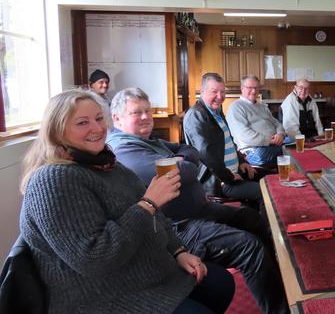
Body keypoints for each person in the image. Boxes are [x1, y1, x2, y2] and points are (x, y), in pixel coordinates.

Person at [19, 89, 234, 314]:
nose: (97, 128)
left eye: (99, 118)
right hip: (105, 296)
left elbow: (157, 217)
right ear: (57, 131)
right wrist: (149, 203)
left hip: (146, 271)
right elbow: (94, 258)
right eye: (82, 122)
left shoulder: (105, 164)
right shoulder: (54, 179)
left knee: (221, 283)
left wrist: (179, 251)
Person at [107, 87, 290, 314]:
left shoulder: (150, 141)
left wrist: (182, 160)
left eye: (147, 111)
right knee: (249, 246)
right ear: (117, 118)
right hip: (179, 227)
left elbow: (189, 150)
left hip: (201, 209)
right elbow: (187, 169)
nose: (145, 117)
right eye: (137, 113)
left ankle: (283, 284)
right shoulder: (125, 149)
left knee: (253, 219)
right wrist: (183, 162)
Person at [184, 73, 267, 207]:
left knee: (271, 178)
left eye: (222, 92)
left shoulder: (216, 111)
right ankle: (266, 226)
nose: (220, 96)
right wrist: (228, 177)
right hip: (219, 182)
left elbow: (228, 140)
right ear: (202, 91)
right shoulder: (196, 115)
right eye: (214, 91)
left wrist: (241, 162)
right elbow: (206, 154)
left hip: (234, 172)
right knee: (265, 191)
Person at [226, 75, 288, 167]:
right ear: (242, 88)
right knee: (292, 152)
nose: (254, 91)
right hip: (254, 151)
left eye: (256, 88)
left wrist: (280, 134)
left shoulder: (262, 106)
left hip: (272, 146)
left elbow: (277, 123)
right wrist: (270, 140)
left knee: (297, 146)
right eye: (250, 88)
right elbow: (244, 135)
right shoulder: (236, 107)